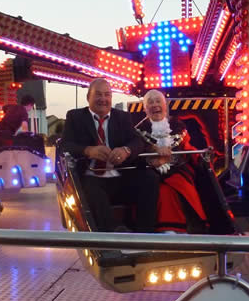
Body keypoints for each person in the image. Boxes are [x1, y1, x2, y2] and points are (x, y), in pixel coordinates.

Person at [60, 78, 159, 232]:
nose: (103, 99)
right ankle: (112, 232)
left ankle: (145, 232)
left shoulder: (122, 117)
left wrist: (126, 150)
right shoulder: (75, 117)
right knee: (90, 189)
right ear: (88, 97)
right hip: (91, 176)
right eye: (98, 95)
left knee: (149, 178)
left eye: (107, 95)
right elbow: (65, 145)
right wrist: (88, 150)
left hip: (121, 174)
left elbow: (137, 141)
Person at [137, 89, 208, 234]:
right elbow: (137, 152)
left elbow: (187, 148)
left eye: (158, 101)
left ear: (165, 105)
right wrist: (154, 156)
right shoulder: (138, 131)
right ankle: (167, 228)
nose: (155, 105)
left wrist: (202, 156)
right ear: (145, 109)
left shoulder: (178, 127)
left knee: (180, 186)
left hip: (178, 170)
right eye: (150, 102)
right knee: (160, 189)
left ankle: (186, 227)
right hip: (150, 172)